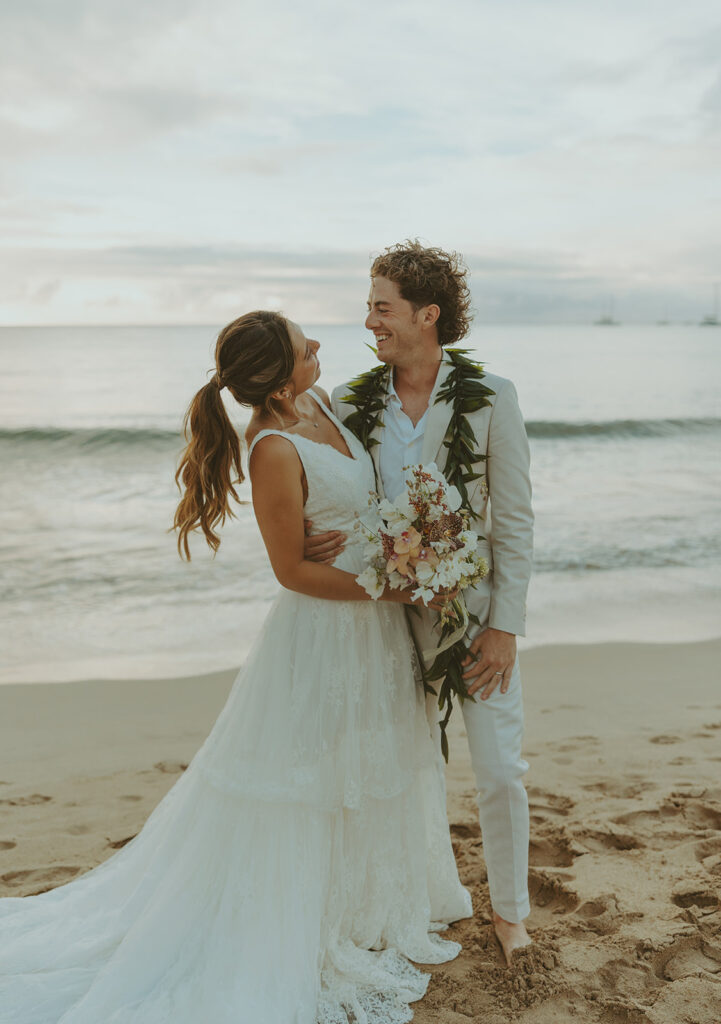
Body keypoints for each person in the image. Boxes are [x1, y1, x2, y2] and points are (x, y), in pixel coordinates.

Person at [0, 309, 473, 1024]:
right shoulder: (273, 448)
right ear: (279, 382)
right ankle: (296, 923)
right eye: (301, 347)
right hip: (322, 636)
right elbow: (290, 572)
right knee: (309, 784)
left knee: (371, 766)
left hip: (373, 627)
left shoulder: (319, 401)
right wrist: (397, 582)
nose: (318, 345)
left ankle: (364, 906)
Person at [305, 241, 534, 964]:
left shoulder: (491, 396)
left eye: (382, 306)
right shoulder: (347, 401)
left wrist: (503, 627)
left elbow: (514, 518)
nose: (368, 319)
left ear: (425, 314)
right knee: (402, 771)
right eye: (370, 305)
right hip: (382, 620)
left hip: (474, 615)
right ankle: (405, 901)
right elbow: (331, 488)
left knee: (499, 768)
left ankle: (510, 912)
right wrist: (318, 539)